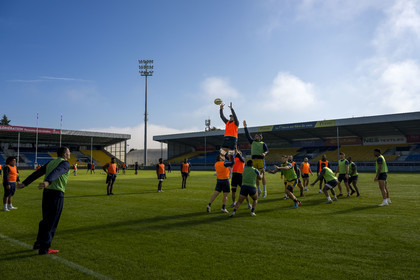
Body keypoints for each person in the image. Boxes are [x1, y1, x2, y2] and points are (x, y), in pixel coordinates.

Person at [17, 146, 71, 255]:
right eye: (69, 152)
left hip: (46, 193)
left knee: (45, 220)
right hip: (56, 193)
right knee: (52, 222)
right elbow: (58, 171)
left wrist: (25, 183)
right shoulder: (65, 163)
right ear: (65, 154)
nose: (70, 154)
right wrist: (48, 181)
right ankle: (45, 248)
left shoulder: (50, 162)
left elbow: (37, 173)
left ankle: (38, 244)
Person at [243, 120, 269, 198]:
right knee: (256, 176)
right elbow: (247, 135)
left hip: (261, 160)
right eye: (255, 136)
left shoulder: (263, 143)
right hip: (254, 160)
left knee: (263, 175)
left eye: (257, 136)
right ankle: (259, 190)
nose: (255, 137)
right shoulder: (252, 142)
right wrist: (245, 127)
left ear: (260, 137)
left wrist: (264, 153)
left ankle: (265, 191)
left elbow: (267, 150)